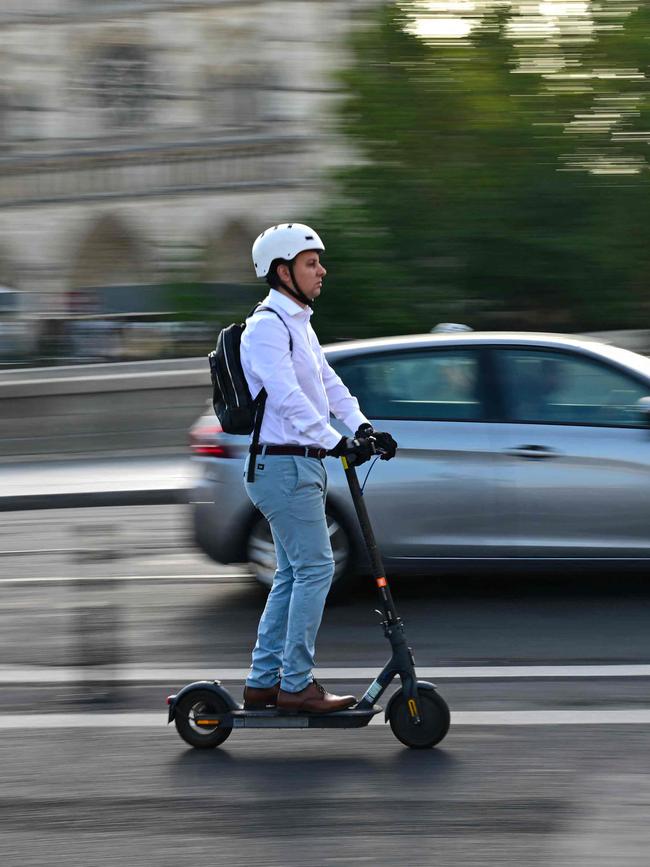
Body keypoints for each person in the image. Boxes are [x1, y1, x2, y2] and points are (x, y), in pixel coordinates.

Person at [240, 223, 397, 714]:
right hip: (282, 468)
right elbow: (286, 398)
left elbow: (328, 385)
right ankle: (297, 685)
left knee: (293, 573)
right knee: (316, 567)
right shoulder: (266, 327)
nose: (321, 270)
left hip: (301, 466)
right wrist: (335, 441)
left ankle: (264, 681)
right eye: (312, 263)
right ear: (282, 271)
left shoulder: (298, 323)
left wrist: (364, 427)